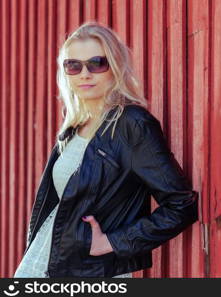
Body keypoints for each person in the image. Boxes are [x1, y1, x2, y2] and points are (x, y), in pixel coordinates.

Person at [13, 21, 199, 278]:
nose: (84, 74)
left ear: (115, 67)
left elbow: (181, 204)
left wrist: (112, 242)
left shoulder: (131, 124)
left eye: (96, 63)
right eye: (73, 65)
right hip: (43, 266)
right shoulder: (74, 127)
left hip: (92, 273)